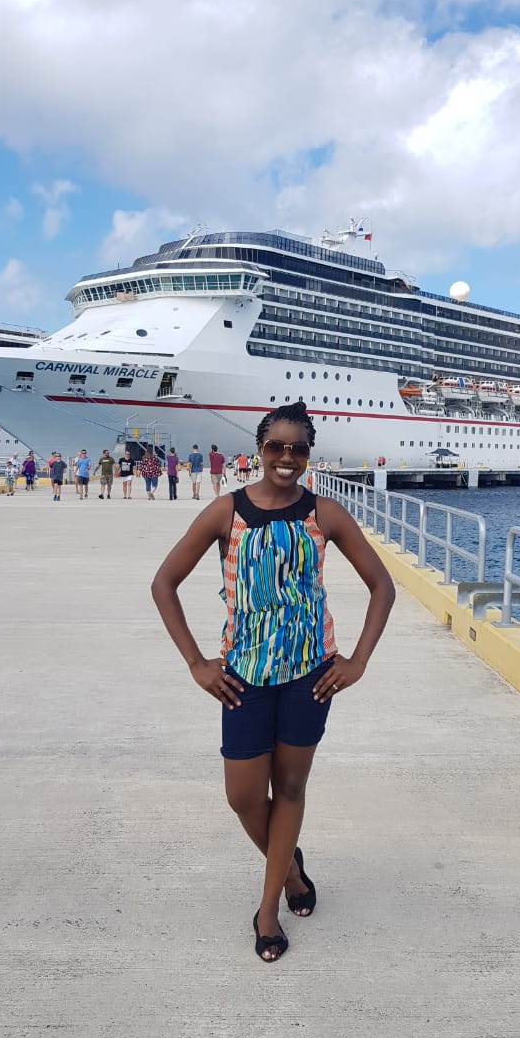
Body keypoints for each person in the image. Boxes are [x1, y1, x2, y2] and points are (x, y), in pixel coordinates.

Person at [151, 402, 395, 964]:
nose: (287, 458)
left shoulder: (326, 514)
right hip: (244, 677)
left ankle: (270, 906)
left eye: (298, 449)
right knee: (241, 796)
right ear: (259, 450)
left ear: (310, 454)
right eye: (276, 447)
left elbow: (382, 586)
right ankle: (292, 866)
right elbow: (164, 583)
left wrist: (356, 662)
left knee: (288, 790)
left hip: (311, 677)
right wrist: (197, 662)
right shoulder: (225, 513)